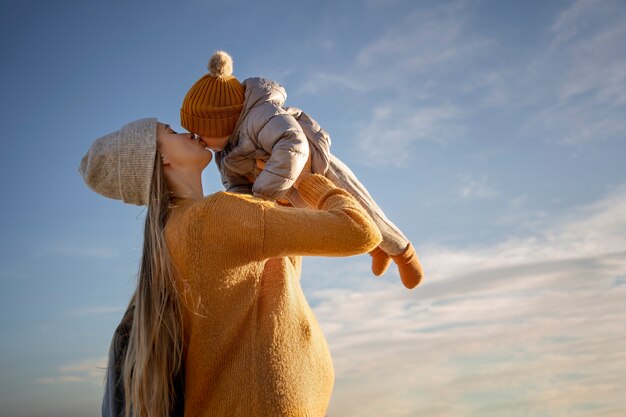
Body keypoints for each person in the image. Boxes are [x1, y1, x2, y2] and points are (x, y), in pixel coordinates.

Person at [79, 118, 382, 417]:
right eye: (171, 132)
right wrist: (316, 185)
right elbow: (360, 232)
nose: (187, 132)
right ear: (161, 158)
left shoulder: (174, 234)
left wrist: (282, 198)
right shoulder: (215, 216)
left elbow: (275, 284)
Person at [180, 51, 423, 289]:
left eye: (201, 132)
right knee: (335, 225)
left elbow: (292, 143)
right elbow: (236, 186)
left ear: (221, 122)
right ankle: (376, 249)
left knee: (365, 210)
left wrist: (262, 194)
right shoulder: (225, 154)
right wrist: (246, 208)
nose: (198, 139)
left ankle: (404, 253)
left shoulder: (260, 116)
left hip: (318, 171)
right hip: (286, 193)